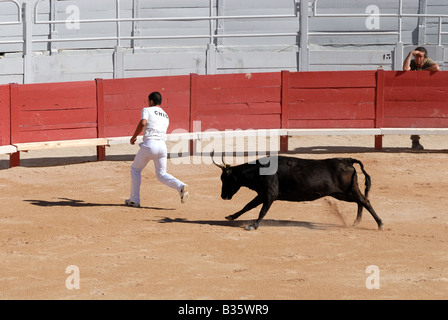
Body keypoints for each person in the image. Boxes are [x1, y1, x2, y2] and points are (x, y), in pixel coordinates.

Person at [125, 91, 189, 208]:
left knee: (135, 169)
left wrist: (134, 137)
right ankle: (180, 186)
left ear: (151, 101)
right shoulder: (166, 115)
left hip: (150, 144)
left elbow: (143, 122)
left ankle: (134, 200)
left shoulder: (147, 110)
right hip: (162, 146)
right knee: (161, 174)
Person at [403, 46, 440, 150]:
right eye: (416, 56)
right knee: (415, 116)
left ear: (424, 57)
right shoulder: (412, 61)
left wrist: (422, 72)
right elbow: (405, 69)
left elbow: (437, 68)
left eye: (420, 57)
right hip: (414, 94)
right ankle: (415, 142)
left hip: (429, 94)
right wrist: (410, 54)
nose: (418, 59)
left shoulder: (428, 61)